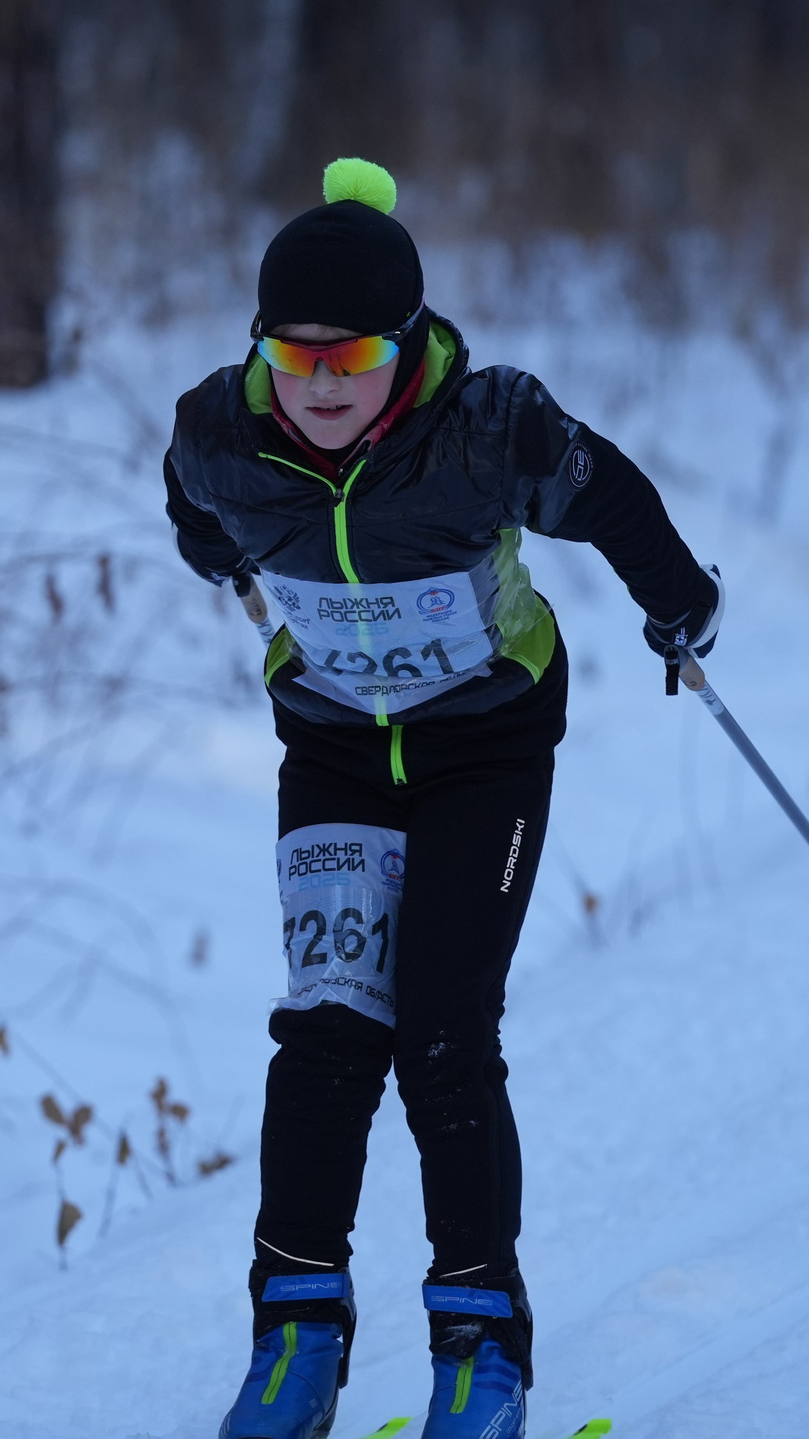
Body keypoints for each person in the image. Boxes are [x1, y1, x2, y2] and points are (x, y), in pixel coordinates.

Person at [164, 159, 721, 1439]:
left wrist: (681, 605)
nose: (321, 384)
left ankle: (480, 1350)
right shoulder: (222, 433)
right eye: (292, 355)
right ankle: (294, 1335)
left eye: (352, 354)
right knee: (325, 1027)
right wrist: (221, 562)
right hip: (335, 750)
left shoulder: (487, 429)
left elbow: (611, 496)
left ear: (406, 344)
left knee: (441, 1031)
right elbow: (189, 501)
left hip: (485, 749)